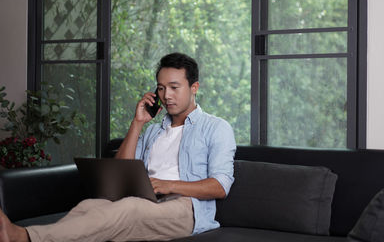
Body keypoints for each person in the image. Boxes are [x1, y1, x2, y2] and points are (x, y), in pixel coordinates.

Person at [0, 52, 236, 242]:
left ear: (194, 87)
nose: (166, 95)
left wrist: (167, 185)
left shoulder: (216, 128)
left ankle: (25, 237)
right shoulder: (153, 130)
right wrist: (138, 122)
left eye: (175, 87)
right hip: (143, 199)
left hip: (184, 208)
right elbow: (121, 170)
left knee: (128, 209)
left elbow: (220, 186)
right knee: (90, 206)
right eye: (161, 88)